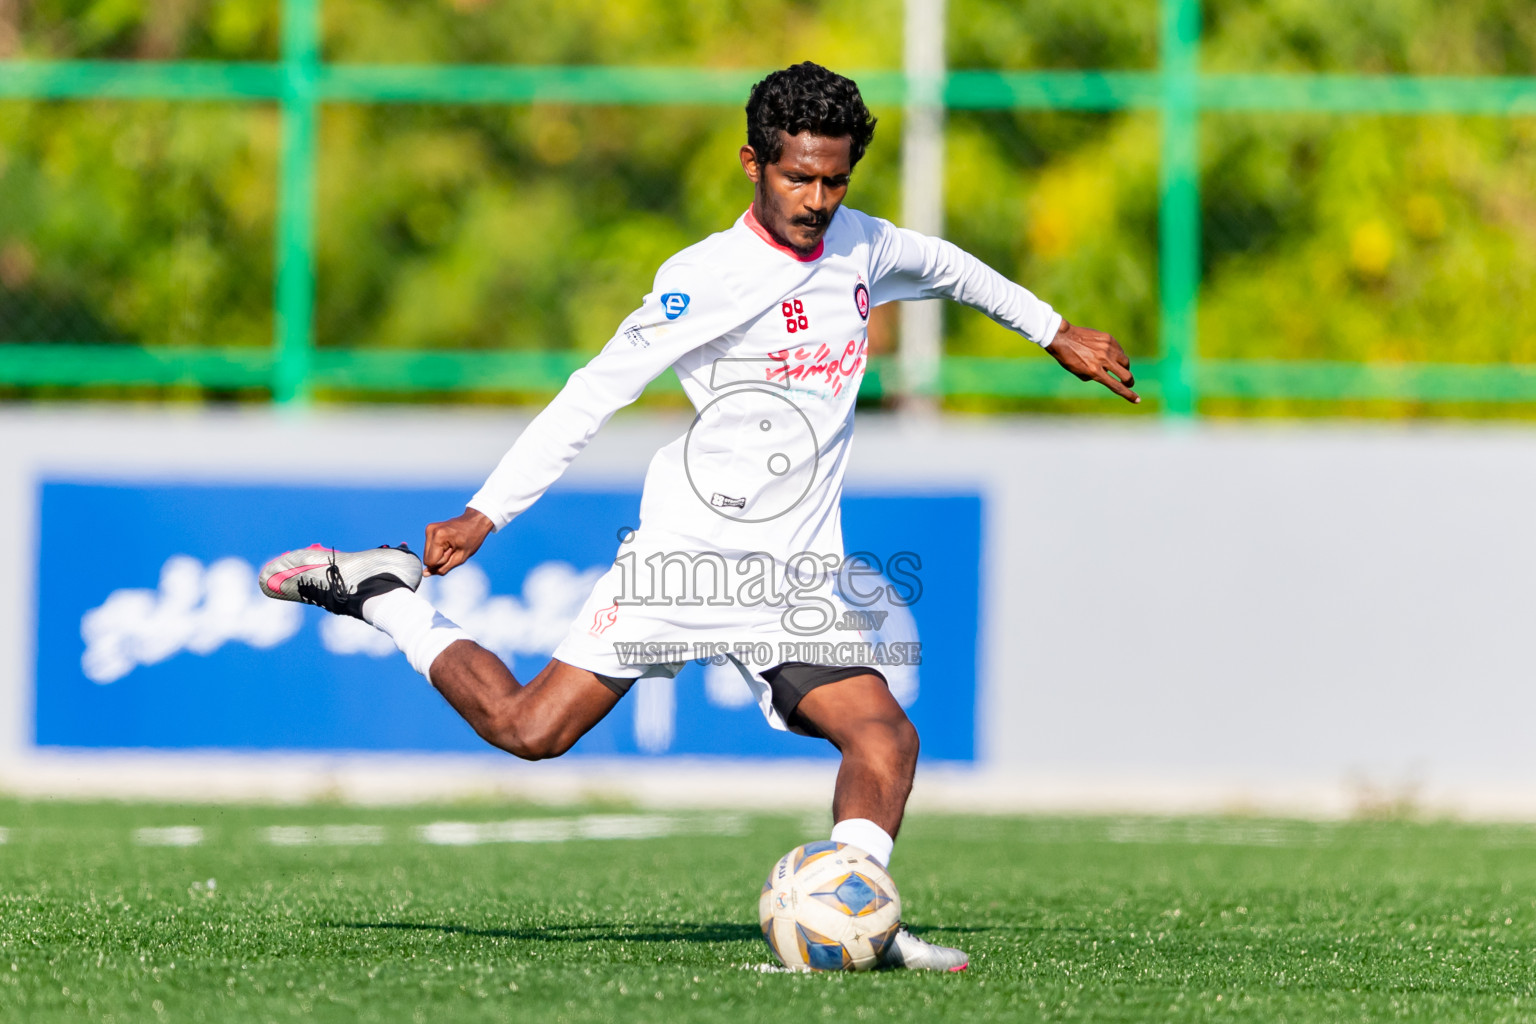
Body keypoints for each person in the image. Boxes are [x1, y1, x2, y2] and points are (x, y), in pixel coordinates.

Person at [260, 61, 1136, 971]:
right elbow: (589, 396)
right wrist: (487, 513)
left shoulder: (862, 248)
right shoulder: (706, 279)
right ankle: (388, 596)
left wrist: (1052, 329)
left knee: (885, 736)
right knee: (529, 731)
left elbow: (950, 268)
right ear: (753, 162)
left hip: (792, 576)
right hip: (686, 562)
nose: (819, 198)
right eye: (800, 175)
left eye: (836, 178)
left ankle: (857, 913)